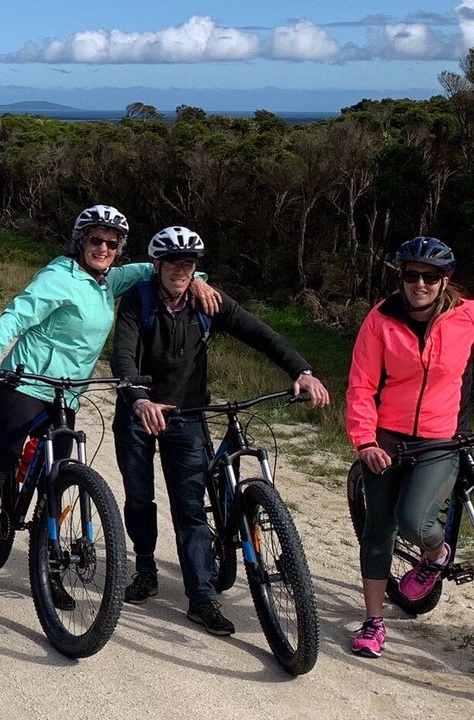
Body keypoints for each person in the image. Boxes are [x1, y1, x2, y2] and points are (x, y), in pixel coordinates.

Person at [0, 204, 220, 616]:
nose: (103, 248)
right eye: (95, 240)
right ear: (80, 242)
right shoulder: (58, 277)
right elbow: (19, 313)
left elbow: (160, 269)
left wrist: (197, 281)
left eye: (111, 242)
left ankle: (49, 568)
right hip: (28, 383)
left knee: (57, 479)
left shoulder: (110, 282)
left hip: (68, 395)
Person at [110, 225, 329, 636]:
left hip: (187, 414)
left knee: (190, 509)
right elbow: (122, 356)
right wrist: (139, 399)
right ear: (157, 264)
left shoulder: (207, 302)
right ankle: (144, 569)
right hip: (139, 412)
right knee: (139, 498)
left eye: (189, 264)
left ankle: (202, 598)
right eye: (173, 262)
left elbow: (259, 333)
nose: (181, 270)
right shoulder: (136, 301)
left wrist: (300, 369)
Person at [346, 236, 474, 658]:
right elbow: (362, 384)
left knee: (415, 521)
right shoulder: (381, 318)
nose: (419, 284)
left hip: (440, 436)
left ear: (445, 279)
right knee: (378, 529)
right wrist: (364, 440)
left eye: (430, 277)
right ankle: (373, 621)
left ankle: (435, 554)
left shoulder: (466, 317)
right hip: (386, 434)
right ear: (400, 277)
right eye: (411, 275)